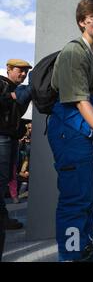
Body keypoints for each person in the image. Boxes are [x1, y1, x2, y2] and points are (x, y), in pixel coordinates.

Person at [48, 0, 93, 262]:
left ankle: (84, 249)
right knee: (75, 199)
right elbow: (80, 99)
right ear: (82, 21)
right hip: (70, 130)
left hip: (89, 129)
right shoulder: (73, 53)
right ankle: (70, 257)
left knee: (91, 195)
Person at [0, 58, 32, 261]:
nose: (23, 74)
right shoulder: (2, 84)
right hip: (2, 136)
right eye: (19, 71)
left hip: (10, 137)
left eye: (26, 72)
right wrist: (11, 96)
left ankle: (3, 218)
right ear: (8, 69)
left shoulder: (19, 90)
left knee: (4, 181)